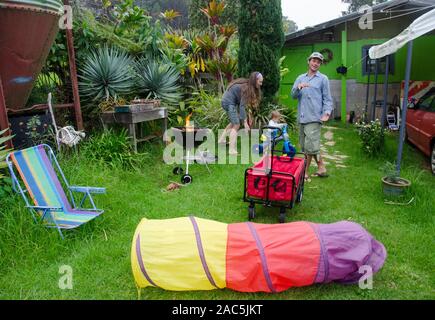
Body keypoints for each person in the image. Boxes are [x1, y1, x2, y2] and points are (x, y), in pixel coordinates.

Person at [290, 52, 333, 179]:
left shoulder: (323, 79)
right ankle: (321, 167)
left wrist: (326, 113)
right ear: (308, 61)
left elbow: (327, 98)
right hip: (302, 117)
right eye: (314, 61)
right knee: (306, 145)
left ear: (320, 64)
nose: (316, 63)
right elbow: (293, 96)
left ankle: (305, 172)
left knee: (309, 146)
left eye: (318, 62)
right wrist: (298, 88)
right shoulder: (300, 78)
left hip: (315, 117)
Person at [218, 71, 263, 155]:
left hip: (228, 102)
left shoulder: (248, 86)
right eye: (260, 82)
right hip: (228, 102)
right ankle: (231, 150)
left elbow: (244, 105)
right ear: (255, 80)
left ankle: (221, 140)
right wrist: (245, 123)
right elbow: (242, 106)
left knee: (234, 122)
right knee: (236, 124)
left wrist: (248, 116)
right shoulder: (247, 88)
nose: (261, 84)